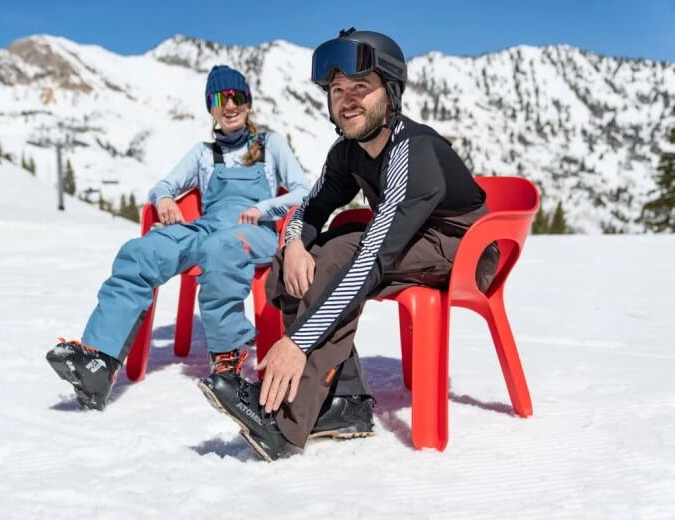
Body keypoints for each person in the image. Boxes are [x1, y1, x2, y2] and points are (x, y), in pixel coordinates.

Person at [198, 29, 500, 461]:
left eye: (361, 88)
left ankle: (284, 423)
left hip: (463, 249)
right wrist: (297, 246)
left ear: (390, 93)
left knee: (341, 257)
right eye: (337, 90)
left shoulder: (413, 152)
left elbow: (371, 261)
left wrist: (299, 340)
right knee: (297, 258)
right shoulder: (348, 150)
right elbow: (307, 210)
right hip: (409, 238)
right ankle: (345, 403)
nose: (347, 99)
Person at [46, 65, 310, 411]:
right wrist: (165, 198)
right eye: (220, 99)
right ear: (210, 107)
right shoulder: (203, 153)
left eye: (237, 98)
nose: (230, 106)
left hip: (255, 234)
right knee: (141, 251)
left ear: (248, 102)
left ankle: (227, 363)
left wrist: (264, 208)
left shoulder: (269, 143)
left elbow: (302, 192)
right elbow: (163, 185)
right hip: (208, 227)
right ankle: (100, 360)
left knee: (223, 248)